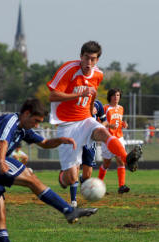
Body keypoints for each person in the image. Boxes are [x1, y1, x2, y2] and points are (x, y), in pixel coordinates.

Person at [0, 98, 98, 242]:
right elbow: (3, 143)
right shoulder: (11, 120)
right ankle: (67, 210)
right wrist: (2, 161)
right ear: (26, 114)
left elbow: (44, 143)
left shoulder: (24, 129)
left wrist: (61, 140)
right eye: (35, 120)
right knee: (30, 178)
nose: (36, 124)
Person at [47, 41, 142, 195]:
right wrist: (79, 94)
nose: (89, 63)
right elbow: (52, 96)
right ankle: (63, 177)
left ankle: (127, 159)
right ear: (81, 57)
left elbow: (91, 97)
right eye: (86, 58)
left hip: (85, 119)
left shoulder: (98, 74)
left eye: (93, 59)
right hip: (67, 124)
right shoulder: (69, 69)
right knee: (70, 178)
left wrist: (91, 112)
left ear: (97, 60)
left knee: (104, 133)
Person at [72, 100, 107, 207]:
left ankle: (83, 179)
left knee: (87, 175)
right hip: (77, 140)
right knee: (75, 169)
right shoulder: (75, 102)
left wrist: (100, 127)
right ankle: (73, 200)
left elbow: (105, 120)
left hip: (90, 142)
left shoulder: (98, 104)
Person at [98, 88, 130, 194]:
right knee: (106, 163)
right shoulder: (105, 108)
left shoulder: (121, 108)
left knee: (121, 161)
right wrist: (108, 125)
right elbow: (99, 123)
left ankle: (122, 186)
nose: (116, 97)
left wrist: (123, 124)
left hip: (119, 137)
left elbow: (118, 122)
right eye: (114, 95)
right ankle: (98, 185)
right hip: (108, 138)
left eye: (118, 95)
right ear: (110, 97)